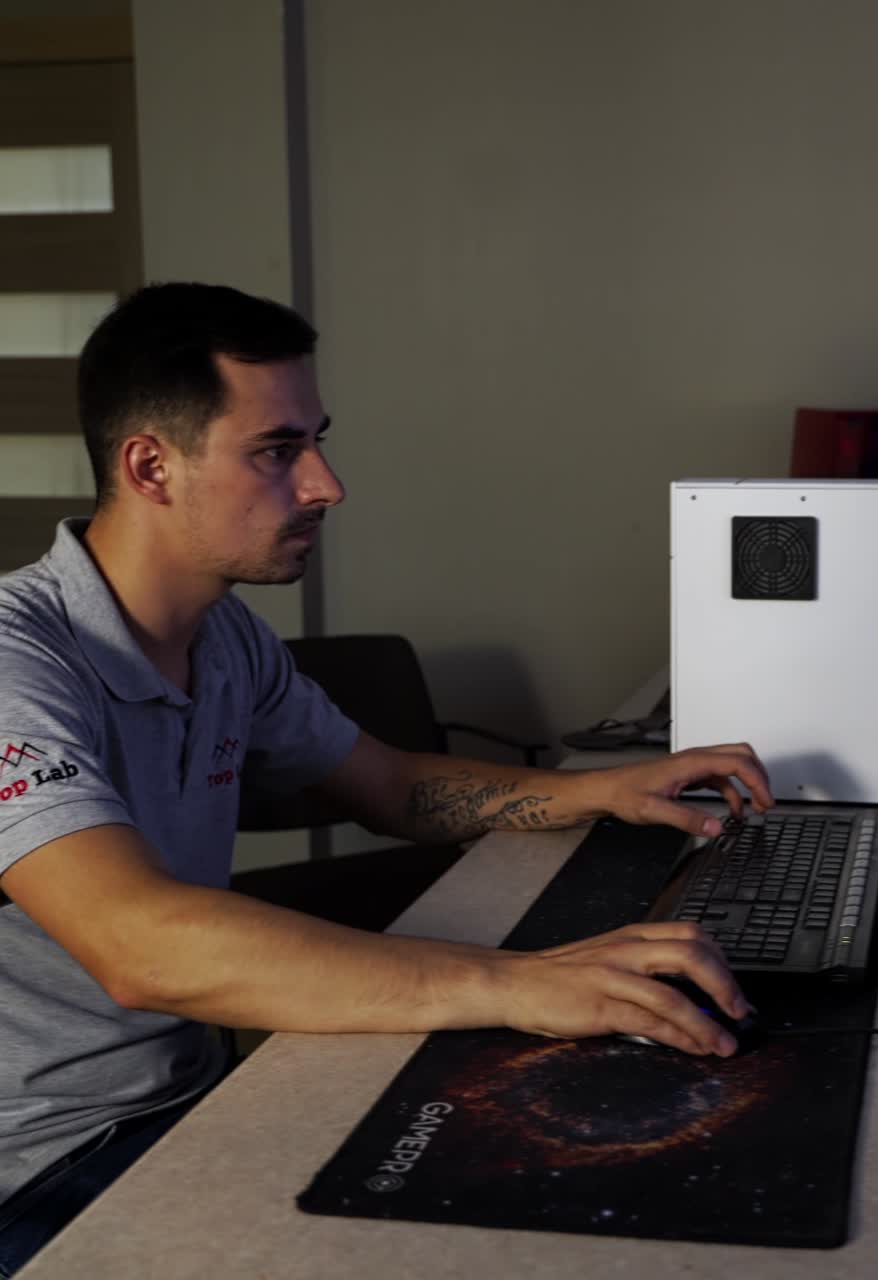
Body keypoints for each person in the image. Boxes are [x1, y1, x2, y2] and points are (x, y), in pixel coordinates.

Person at [0, 283, 772, 1274]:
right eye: (278, 450)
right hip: (45, 1171)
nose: (326, 484)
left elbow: (393, 786)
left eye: (315, 441)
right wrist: (517, 983)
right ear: (151, 465)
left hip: (191, 1100)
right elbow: (136, 945)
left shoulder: (225, 637)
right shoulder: (21, 660)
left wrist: (607, 789)